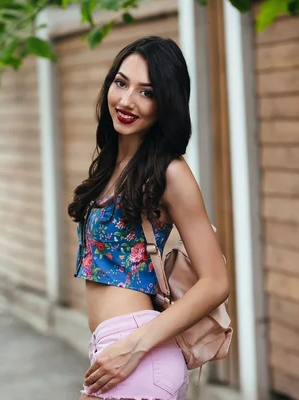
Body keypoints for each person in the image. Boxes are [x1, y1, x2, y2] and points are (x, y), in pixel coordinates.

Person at [68, 36, 230, 400]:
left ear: (165, 103)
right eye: (122, 83)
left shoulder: (170, 172)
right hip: (112, 347)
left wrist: (134, 347)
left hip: (138, 347)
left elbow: (215, 282)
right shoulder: (112, 165)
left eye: (147, 92)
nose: (126, 101)